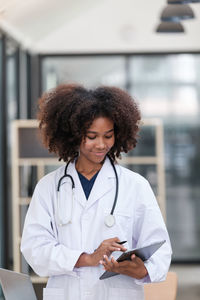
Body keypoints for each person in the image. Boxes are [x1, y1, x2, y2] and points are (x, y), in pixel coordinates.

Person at [21, 83, 172, 300]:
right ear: (73, 135)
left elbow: (161, 251)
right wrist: (88, 258)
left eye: (108, 136)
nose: (101, 145)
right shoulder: (48, 187)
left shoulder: (135, 186)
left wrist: (140, 270)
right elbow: (35, 250)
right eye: (91, 136)